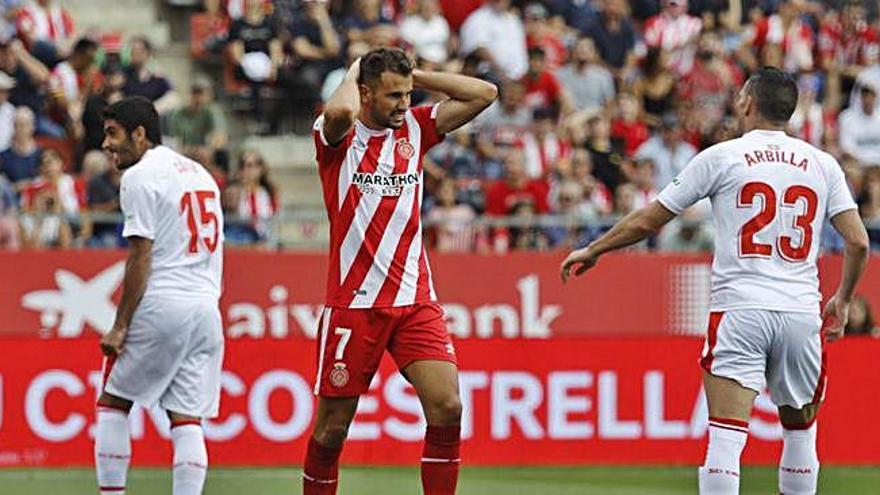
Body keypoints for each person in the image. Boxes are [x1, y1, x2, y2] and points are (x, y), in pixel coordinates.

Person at [561, 67, 870, 494]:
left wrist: (596, 248)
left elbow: (653, 216)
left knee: (726, 434)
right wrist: (842, 298)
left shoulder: (722, 156)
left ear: (747, 102)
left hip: (740, 308)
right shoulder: (823, 164)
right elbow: (857, 242)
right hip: (800, 310)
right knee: (800, 431)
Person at [305, 47, 496, 494]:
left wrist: (416, 76)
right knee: (331, 431)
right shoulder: (338, 138)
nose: (404, 105)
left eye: (408, 95)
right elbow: (338, 108)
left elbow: (485, 93)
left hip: (415, 299)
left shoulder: (415, 127)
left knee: (448, 406)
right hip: (355, 304)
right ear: (365, 93)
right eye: (393, 96)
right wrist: (355, 69)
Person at [93, 96, 225, 495]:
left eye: (113, 134)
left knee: (113, 403)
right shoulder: (201, 173)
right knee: (186, 420)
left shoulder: (138, 176)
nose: (106, 145)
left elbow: (140, 255)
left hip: (163, 301)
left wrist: (119, 326)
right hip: (205, 308)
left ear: (139, 134)